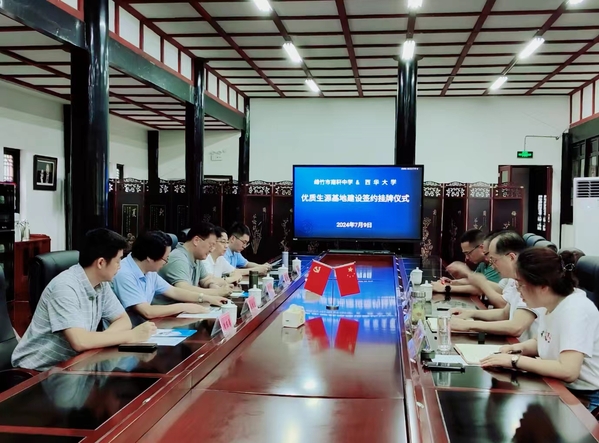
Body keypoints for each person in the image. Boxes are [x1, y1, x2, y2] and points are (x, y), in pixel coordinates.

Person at [12, 228, 156, 372]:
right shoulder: (65, 287)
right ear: (101, 263)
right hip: (36, 372)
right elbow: (80, 341)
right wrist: (131, 336)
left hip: (74, 366)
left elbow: (123, 320)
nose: (120, 266)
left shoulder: (101, 284)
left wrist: (96, 339)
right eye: (118, 261)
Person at [481, 247, 599, 413]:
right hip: (557, 386)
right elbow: (542, 340)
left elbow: (568, 370)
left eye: (521, 284)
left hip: (584, 399)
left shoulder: (575, 309)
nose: (518, 291)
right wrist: (516, 348)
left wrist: (514, 360)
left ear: (543, 286)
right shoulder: (550, 303)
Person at [112, 231, 228, 320]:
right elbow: (147, 311)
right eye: (165, 259)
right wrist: (184, 307)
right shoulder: (124, 273)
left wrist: (206, 298)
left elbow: (173, 291)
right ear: (150, 258)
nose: (166, 263)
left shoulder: (149, 271)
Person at [449, 231, 540, 340]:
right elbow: (504, 313)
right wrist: (470, 313)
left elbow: (516, 327)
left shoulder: (531, 281)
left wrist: (469, 325)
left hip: (520, 346)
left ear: (511, 257)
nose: (492, 266)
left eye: (494, 260)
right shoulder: (514, 280)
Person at [158, 223, 233, 300]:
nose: (212, 250)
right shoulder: (178, 259)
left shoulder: (196, 257)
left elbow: (205, 279)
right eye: (211, 245)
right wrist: (216, 292)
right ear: (196, 240)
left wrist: (212, 285)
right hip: (168, 306)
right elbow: (184, 289)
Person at [433, 229, 501, 295]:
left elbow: (482, 288)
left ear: (481, 248)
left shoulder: (496, 264)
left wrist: (445, 288)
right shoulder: (482, 264)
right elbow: (474, 281)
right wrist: (452, 282)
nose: (467, 258)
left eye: (468, 253)